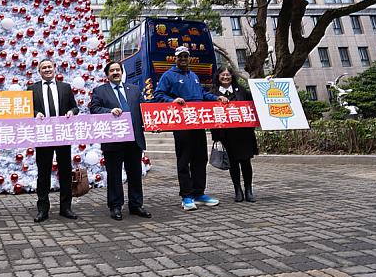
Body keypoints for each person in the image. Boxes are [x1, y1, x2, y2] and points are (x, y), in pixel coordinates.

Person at [156, 46, 229, 211]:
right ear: (174, 58)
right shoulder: (168, 76)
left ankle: (199, 193)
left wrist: (217, 97)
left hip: (198, 123)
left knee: (201, 159)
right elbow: (159, 95)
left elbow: (202, 95)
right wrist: (172, 101)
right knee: (184, 160)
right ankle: (186, 196)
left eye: (186, 56)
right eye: (180, 56)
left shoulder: (193, 75)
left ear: (189, 59)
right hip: (182, 124)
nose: (183, 59)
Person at [90, 61, 151, 221]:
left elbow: (144, 109)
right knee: (114, 175)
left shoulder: (135, 90)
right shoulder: (100, 91)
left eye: (118, 70)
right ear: (107, 74)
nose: (115, 72)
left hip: (134, 139)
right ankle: (115, 206)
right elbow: (94, 109)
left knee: (135, 174)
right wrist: (109, 111)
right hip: (113, 140)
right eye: (112, 71)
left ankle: (136, 205)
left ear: (122, 72)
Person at [28, 59, 79, 223]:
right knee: (43, 174)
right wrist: (35, 113)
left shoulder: (65, 87)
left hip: (62, 134)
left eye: (49, 67)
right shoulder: (32, 88)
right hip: (43, 135)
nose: (47, 70)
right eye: (44, 68)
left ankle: (66, 208)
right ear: (39, 71)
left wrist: (72, 112)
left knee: (65, 172)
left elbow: (75, 107)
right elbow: (27, 108)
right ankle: (43, 209)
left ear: (55, 69)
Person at [210, 65, 258, 203]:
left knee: (246, 162)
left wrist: (265, 83)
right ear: (218, 77)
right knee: (233, 163)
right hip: (225, 135)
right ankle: (238, 190)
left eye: (228, 75)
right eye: (222, 75)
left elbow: (256, 100)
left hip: (244, 134)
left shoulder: (241, 90)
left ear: (232, 76)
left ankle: (249, 190)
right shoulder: (212, 93)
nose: (225, 77)